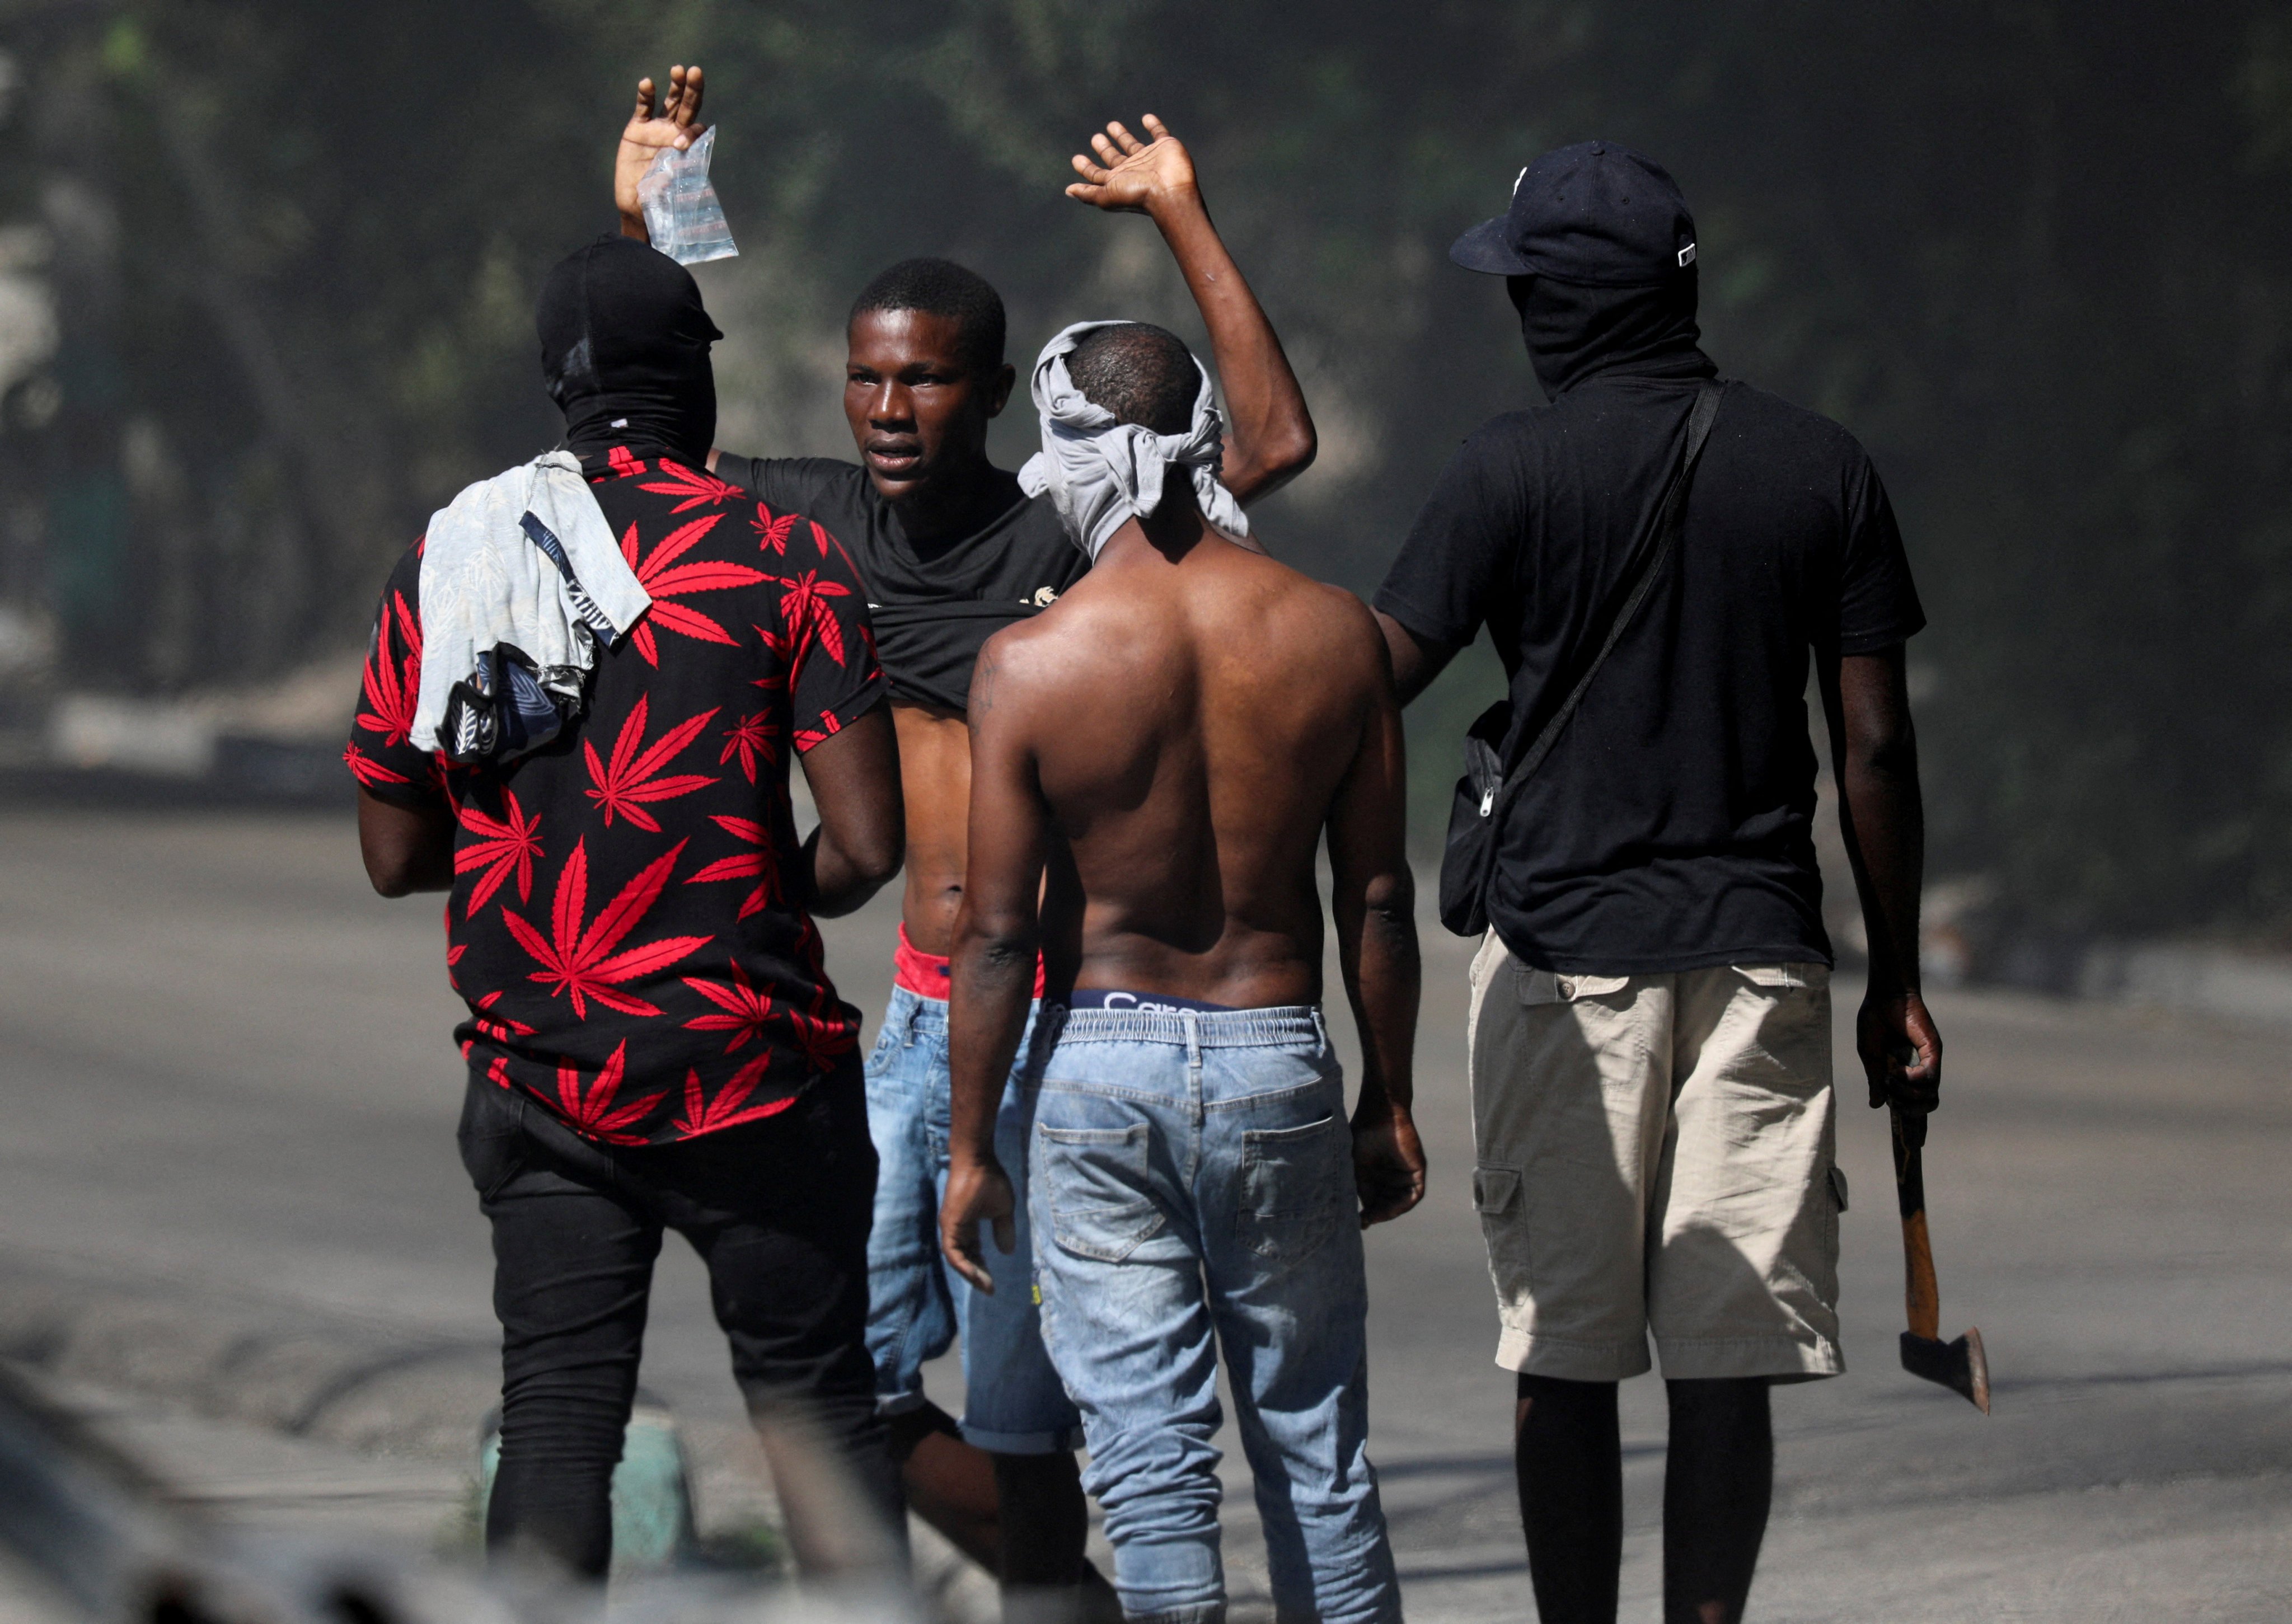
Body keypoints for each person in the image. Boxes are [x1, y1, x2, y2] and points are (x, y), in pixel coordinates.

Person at [615, 68, 1319, 1609]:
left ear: (992, 396)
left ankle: (1056, 1585)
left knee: (1022, 1422)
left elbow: (1266, 441)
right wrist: (659, 216)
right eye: (868, 380)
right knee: (831, 1378)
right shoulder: (810, 523)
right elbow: (649, 454)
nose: (888, 410)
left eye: (926, 382)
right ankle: (1053, 1591)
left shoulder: (1065, 527)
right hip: (920, 1019)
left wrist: (1184, 212)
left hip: (1062, 1030)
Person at [1366, 142, 1941, 1624]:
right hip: (1762, 951)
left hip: (1565, 956)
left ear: (1563, 305)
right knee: (1727, 1355)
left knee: (1565, 1351)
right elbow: (1872, 744)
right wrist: (1903, 984)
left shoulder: (1510, 468)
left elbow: (1373, 678)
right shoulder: (1820, 464)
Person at [348, 232, 904, 1578]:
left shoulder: (456, 553)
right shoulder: (785, 558)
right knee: (819, 1414)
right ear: (693, 383)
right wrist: (767, 889)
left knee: (556, 1413)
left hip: (542, 1074)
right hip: (756, 1068)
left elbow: (389, 849)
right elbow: (871, 839)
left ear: (558, 389)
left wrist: (512, 851)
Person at [940, 320, 1424, 1624]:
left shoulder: (1029, 664)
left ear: (1061, 453)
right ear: (1207, 434)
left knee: (1152, 1470)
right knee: (1315, 1449)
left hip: (1097, 1065)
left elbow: (990, 934)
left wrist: (973, 1142)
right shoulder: (1333, 636)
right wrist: (1387, 1095)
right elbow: (1376, 896)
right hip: (1275, 1053)